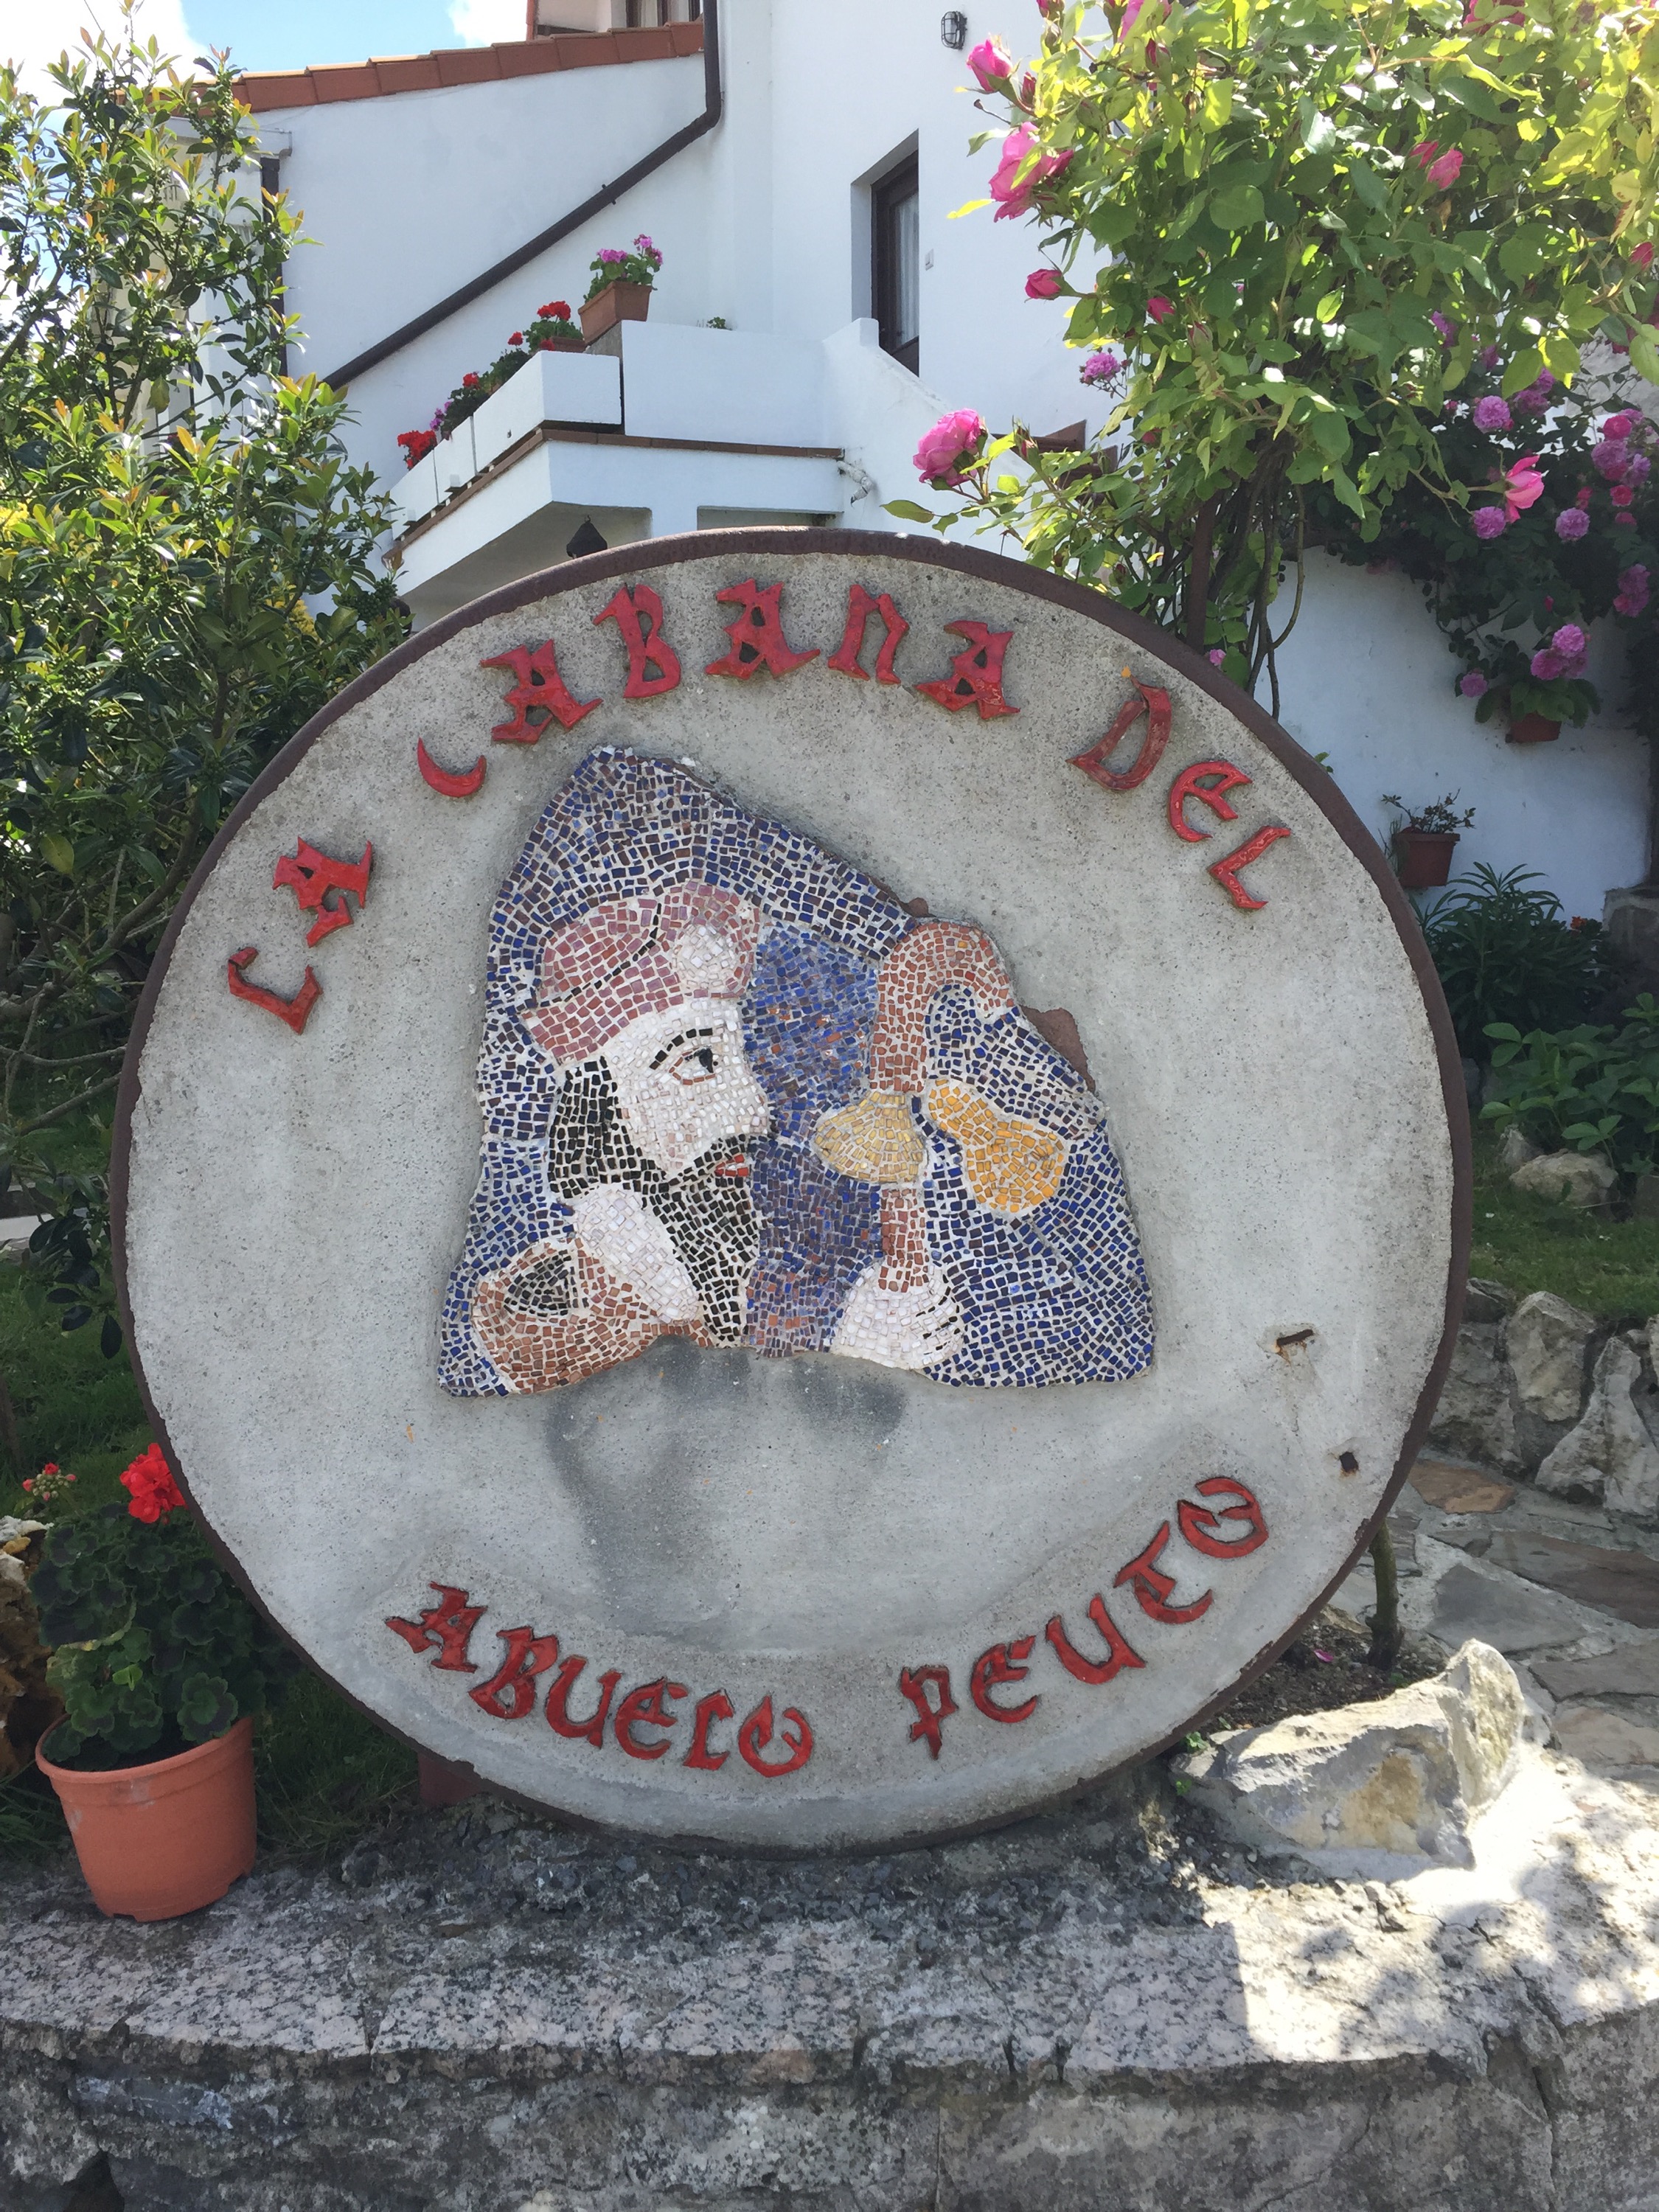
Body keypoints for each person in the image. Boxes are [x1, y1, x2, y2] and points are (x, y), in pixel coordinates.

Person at [439, 748, 1153, 1397]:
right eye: (697, 1063)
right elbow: (614, 1350)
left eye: (736, 1056)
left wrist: (846, 1321)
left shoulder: (754, 1210)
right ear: (599, 1103)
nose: (754, 1111)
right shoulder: (586, 1274)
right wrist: (841, 1330)